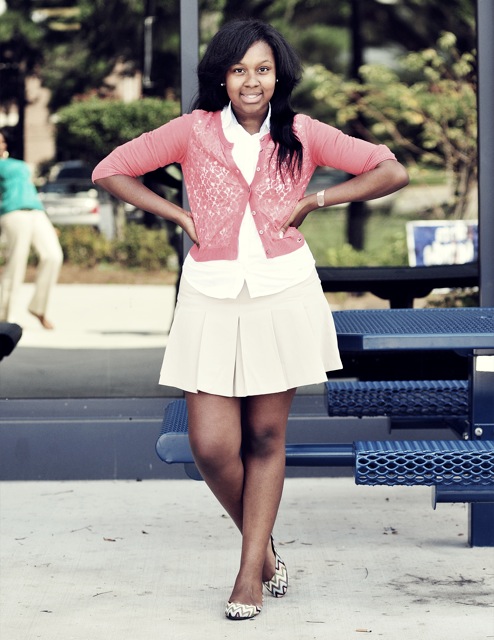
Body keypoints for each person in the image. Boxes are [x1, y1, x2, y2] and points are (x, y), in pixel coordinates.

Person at [92, 19, 408, 620]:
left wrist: (317, 200)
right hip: (210, 294)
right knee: (210, 444)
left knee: (265, 438)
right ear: (221, 75)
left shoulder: (302, 132)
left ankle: (248, 577)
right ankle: (263, 550)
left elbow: (390, 170)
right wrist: (179, 217)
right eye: (239, 69)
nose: (251, 81)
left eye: (262, 68)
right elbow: (110, 170)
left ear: (278, 74)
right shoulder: (193, 131)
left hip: (282, 293)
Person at [0, 127, 63, 329]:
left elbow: (30, 189)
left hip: (36, 211)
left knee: (53, 256)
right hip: (13, 213)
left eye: (2, 141)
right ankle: (5, 318)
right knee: (16, 264)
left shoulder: (18, 164)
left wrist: (49, 223)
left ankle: (38, 307)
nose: (1, 144)